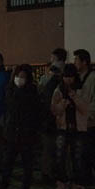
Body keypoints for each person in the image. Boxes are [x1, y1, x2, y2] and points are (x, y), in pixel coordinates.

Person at [0, 65, 41, 189]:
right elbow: (10, 106)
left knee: (27, 163)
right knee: (8, 161)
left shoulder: (31, 91)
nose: (19, 79)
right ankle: (3, 187)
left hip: (26, 132)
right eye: (18, 76)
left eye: (22, 77)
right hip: (12, 131)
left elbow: (33, 110)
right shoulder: (10, 89)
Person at [51, 64, 89, 189]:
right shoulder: (58, 90)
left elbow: (85, 109)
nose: (68, 80)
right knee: (60, 155)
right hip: (63, 127)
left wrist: (74, 97)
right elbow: (54, 110)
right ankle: (62, 182)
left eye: (70, 77)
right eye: (66, 77)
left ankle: (78, 184)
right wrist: (62, 104)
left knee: (77, 156)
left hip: (79, 128)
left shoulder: (81, 89)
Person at [73, 49, 95, 182]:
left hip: (91, 122)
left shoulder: (94, 77)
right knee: (86, 150)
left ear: (84, 62)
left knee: (90, 150)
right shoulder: (78, 78)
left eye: (77, 60)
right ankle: (90, 175)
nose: (75, 62)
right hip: (81, 120)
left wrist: (88, 115)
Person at [38, 48, 66, 181]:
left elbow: (42, 88)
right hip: (59, 117)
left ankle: (48, 172)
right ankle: (55, 171)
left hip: (49, 116)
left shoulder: (52, 75)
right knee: (58, 147)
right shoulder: (66, 73)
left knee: (49, 146)